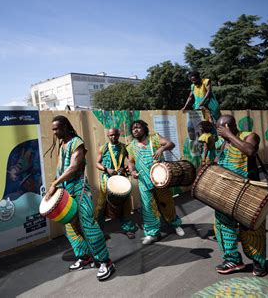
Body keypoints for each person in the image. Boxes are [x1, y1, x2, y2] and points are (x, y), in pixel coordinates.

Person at [43, 115, 115, 281]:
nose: (55, 132)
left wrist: (55, 184)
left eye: (57, 129)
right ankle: (84, 257)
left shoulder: (77, 142)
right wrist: (56, 187)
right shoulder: (62, 144)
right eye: (53, 130)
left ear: (66, 127)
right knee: (70, 227)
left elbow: (74, 167)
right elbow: (61, 168)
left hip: (80, 188)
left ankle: (106, 261)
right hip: (66, 190)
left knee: (88, 225)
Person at [214, 115, 268, 277]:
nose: (219, 132)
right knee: (223, 226)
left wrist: (229, 136)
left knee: (252, 227)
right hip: (226, 192)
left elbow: (250, 151)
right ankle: (232, 259)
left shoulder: (250, 136)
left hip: (248, 191)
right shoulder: (221, 143)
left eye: (221, 128)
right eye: (218, 129)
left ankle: (259, 262)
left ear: (230, 126)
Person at [126, 120, 185, 245]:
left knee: (166, 203)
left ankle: (175, 224)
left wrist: (161, 149)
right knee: (147, 207)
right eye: (133, 129)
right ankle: (152, 233)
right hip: (144, 181)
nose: (135, 130)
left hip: (160, 179)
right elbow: (131, 162)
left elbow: (171, 144)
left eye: (138, 127)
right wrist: (132, 172)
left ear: (144, 128)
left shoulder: (154, 138)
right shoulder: (131, 146)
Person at [94, 128, 137, 239]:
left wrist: (127, 168)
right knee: (101, 206)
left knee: (125, 205)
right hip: (106, 180)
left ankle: (128, 228)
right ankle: (98, 231)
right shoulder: (103, 148)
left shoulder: (124, 147)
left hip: (121, 179)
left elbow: (132, 161)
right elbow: (97, 164)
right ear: (108, 136)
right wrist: (106, 169)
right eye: (111, 135)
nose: (113, 137)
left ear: (119, 135)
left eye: (115, 135)